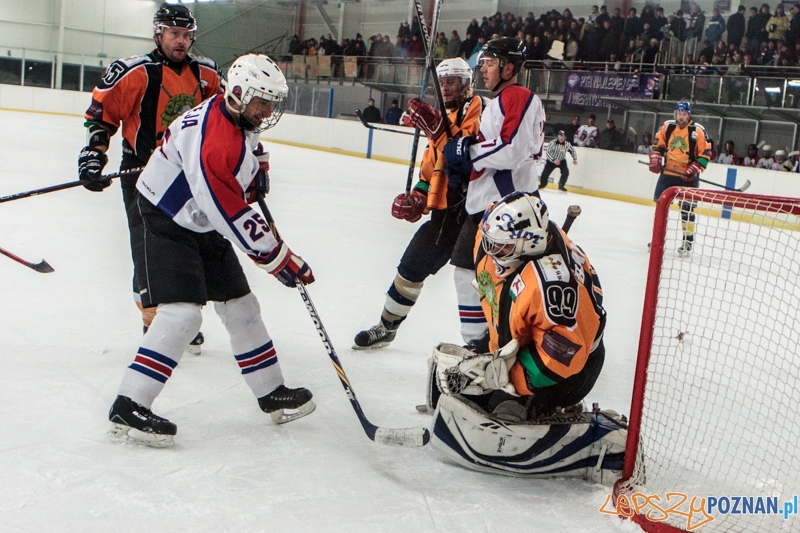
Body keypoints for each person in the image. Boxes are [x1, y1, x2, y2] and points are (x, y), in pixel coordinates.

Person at [107, 54, 316, 448]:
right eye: (261, 102)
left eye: (272, 102)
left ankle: (271, 391)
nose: (268, 111)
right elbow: (229, 212)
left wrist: (256, 169)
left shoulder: (233, 114)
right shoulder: (215, 141)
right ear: (237, 94)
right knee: (182, 315)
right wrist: (278, 258)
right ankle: (129, 403)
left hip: (198, 217)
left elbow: (241, 159)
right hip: (166, 217)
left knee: (241, 305)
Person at [79, 3, 222, 355]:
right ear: (158, 33)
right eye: (175, 34)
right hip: (143, 175)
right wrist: (94, 154)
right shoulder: (134, 72)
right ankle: (153, 324)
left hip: (188, 177)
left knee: (191, 249)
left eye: (187, 35)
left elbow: (220, 123)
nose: (182, 41)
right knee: (148, 253)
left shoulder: (207, 74)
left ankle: (183, 319)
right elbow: (103, 115)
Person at [352, 58, 489, 350]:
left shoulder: (480, 108)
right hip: (444, 216)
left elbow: (464, 154)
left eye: (452, 81)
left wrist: (438, 130)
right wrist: (416, 197)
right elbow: (432, 172)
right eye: (442, 82)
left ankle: (489, 343)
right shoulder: (442, 118)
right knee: (410, 267)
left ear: (468, 85)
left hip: (474, 215)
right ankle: (387, 327)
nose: (446, 86)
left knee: (480, 283)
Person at [441, 37, 546, 252]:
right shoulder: (500, 100)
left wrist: (468, 152)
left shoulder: (516, 95)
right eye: (483, 64)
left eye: (490, 64)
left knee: (481, 276)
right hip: (494, 202)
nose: (483, 69)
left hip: (506, 203)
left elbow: (512, 149)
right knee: (467, 275)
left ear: (508, 68)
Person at [648, 101, 712, 256]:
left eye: (684, 114)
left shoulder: (698, 131)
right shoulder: (667, 127)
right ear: (675, 114)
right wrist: (656, 156)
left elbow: (706, 154)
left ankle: (687, 242)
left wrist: (695, 167)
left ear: (689, 115)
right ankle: (658, 239)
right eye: (679, 113)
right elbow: (658, 145)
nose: (681, 117)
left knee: (687, 210)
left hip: (687, 177)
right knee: (660, 206)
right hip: (668, 174)